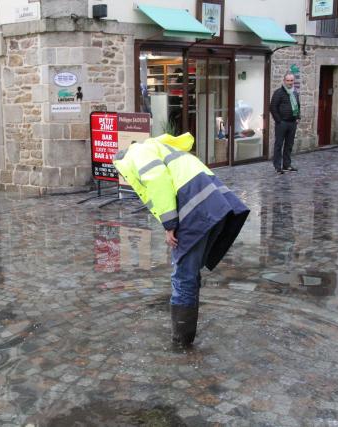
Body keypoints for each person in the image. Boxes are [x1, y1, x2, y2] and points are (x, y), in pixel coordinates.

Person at [114, 133, 250, 347]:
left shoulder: (136, 154)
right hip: (214, 205)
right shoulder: (158, 148)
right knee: (189, 272)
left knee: (183, 275)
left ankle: (181, 343)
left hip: (196, 208)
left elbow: (157, 180)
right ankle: (186, 336)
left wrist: (170, 225)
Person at [270, 73, 300, 174]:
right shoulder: (278, 93)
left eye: (292, 81)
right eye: (288, 80)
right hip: (282, 123)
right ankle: (277, 167)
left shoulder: (295, 93)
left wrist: (298, 117)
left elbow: (298, 106)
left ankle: (287, 165)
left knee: (289, 145)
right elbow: (273, 107)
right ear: (284, 81)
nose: (290, 83)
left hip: (292, 123)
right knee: (278, 145)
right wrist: (279, 121)